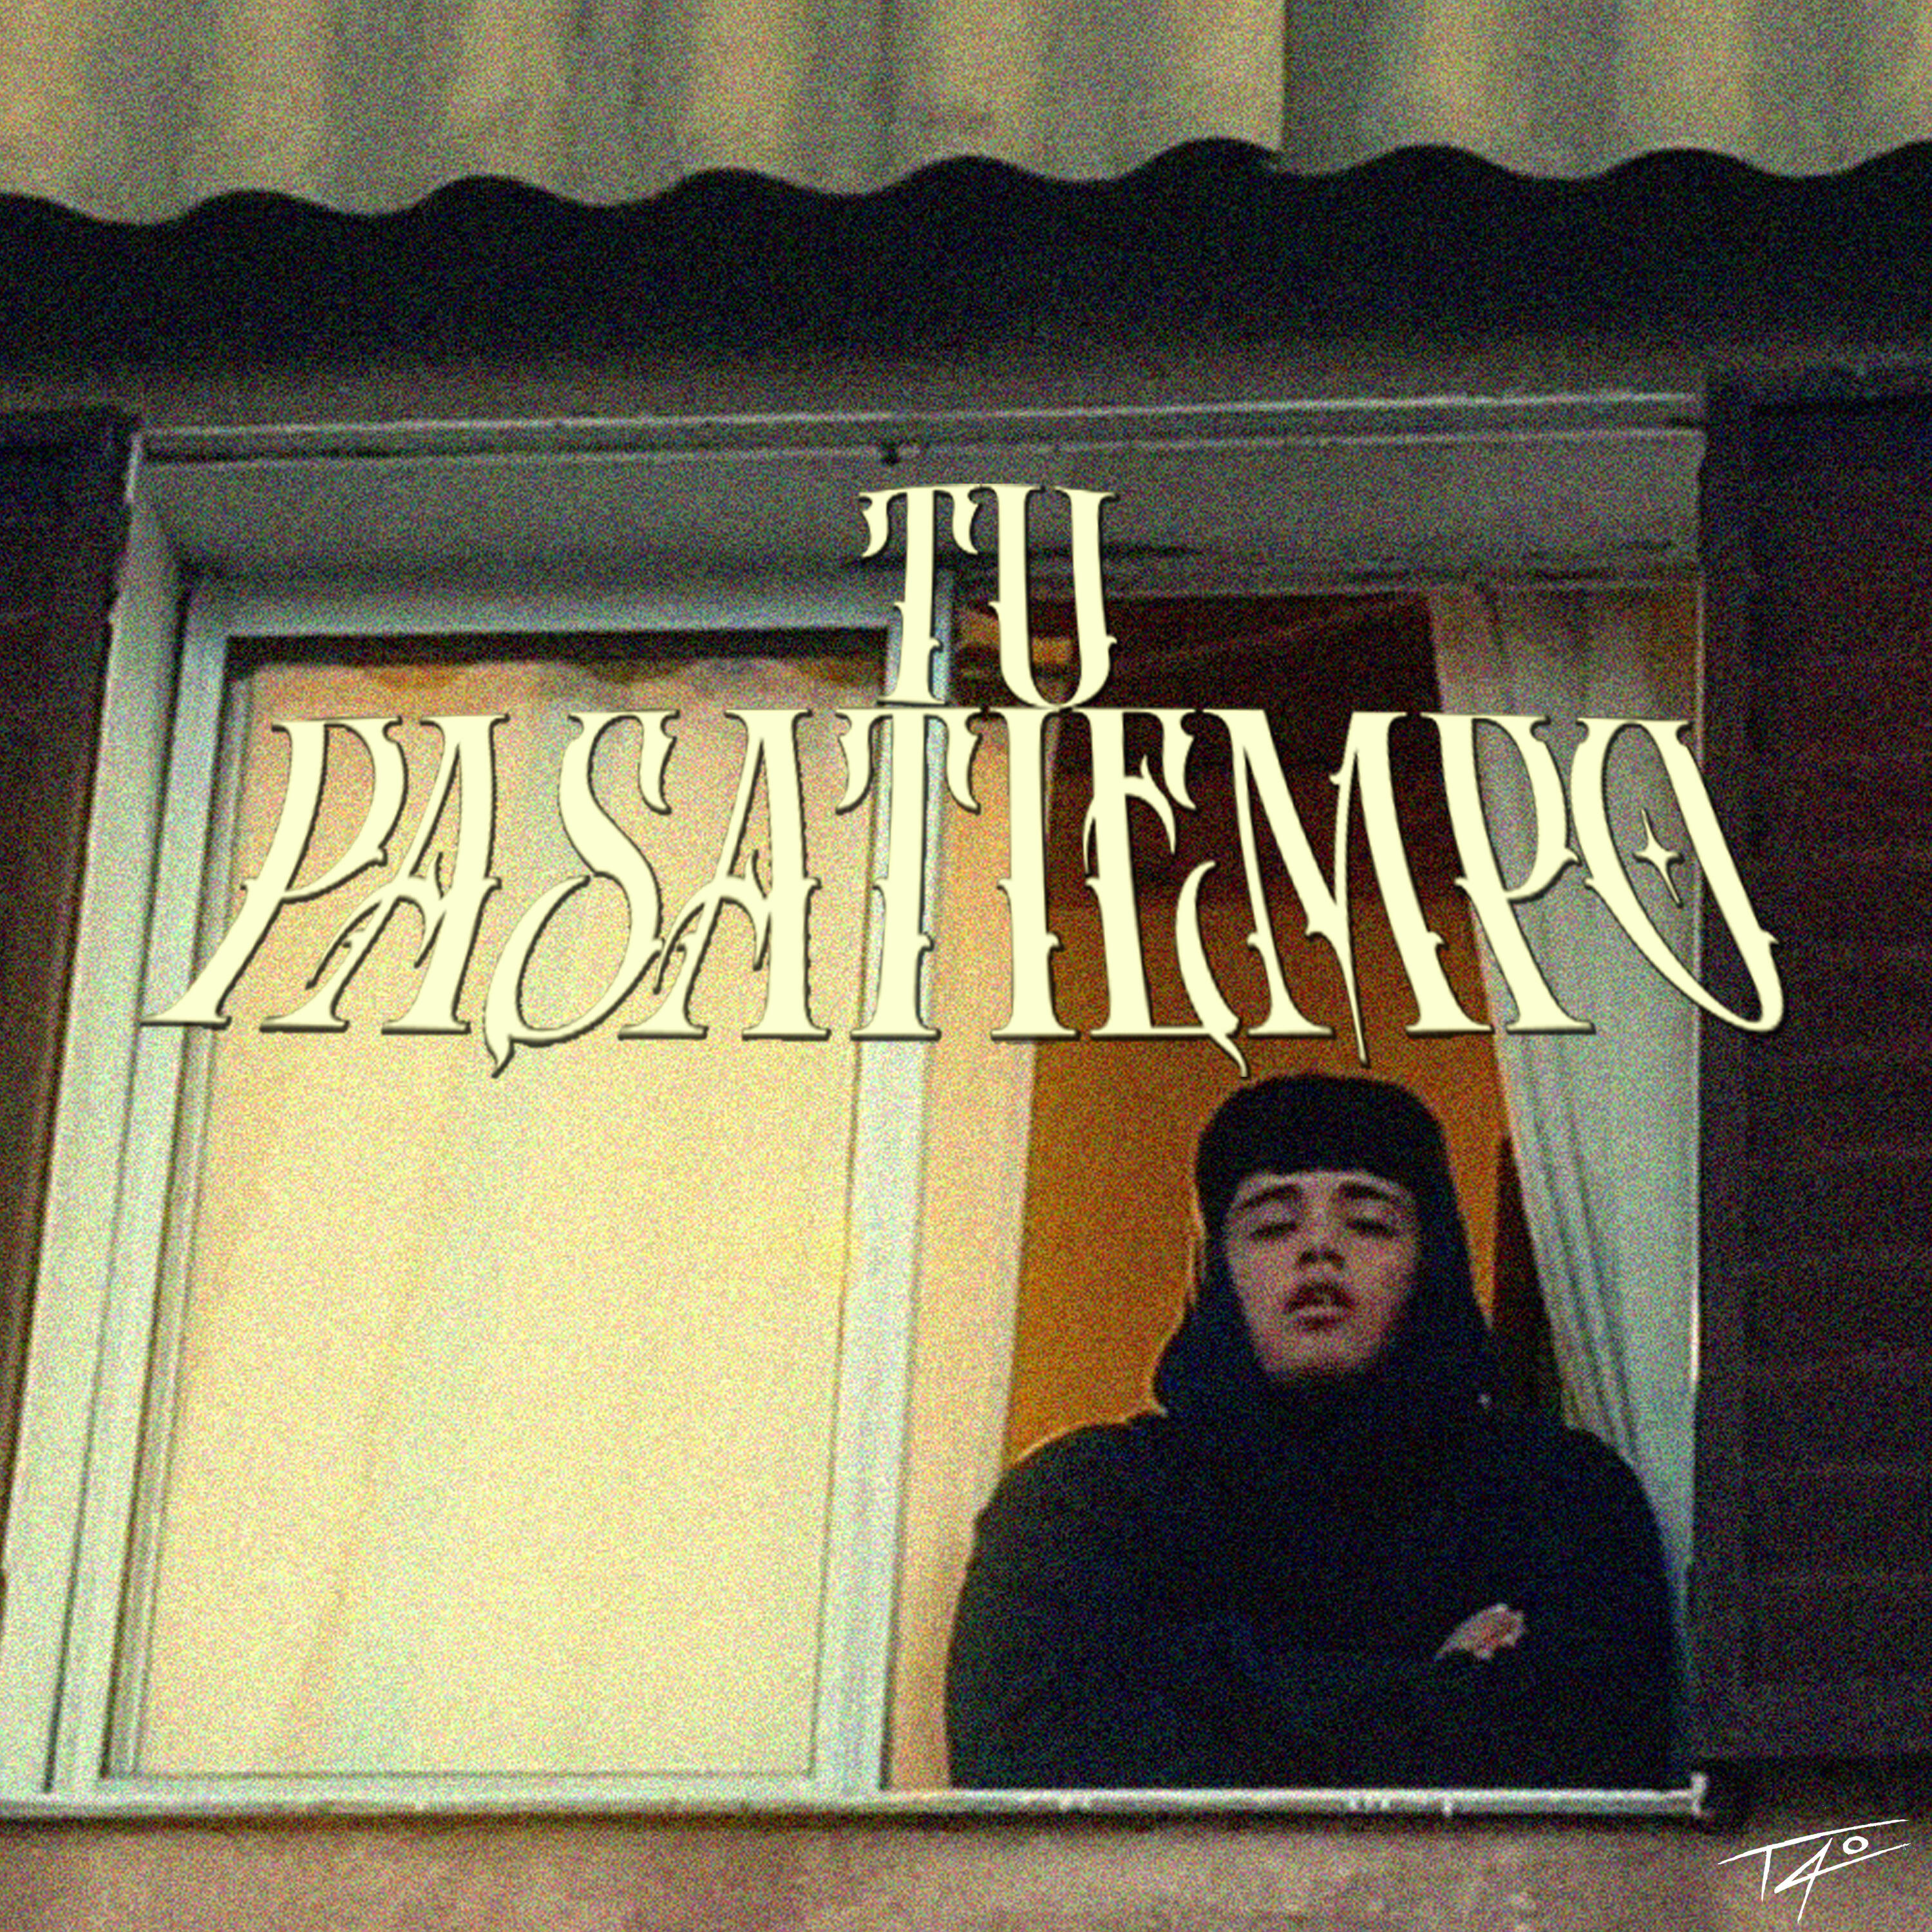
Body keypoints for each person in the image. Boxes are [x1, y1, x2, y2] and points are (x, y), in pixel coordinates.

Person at [945, 1072, 1675, 1790]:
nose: (1320, 1248)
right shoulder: (1085, 1505)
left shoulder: (1559, 1498)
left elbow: (1595, 1751)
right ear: (1217, 1267)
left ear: (1431, 1261)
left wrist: (1211, 1684)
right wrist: (1436, 1691)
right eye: (1272, 1225)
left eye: (1370, 1222)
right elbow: (1029, 1758)